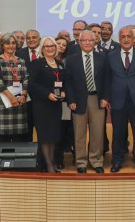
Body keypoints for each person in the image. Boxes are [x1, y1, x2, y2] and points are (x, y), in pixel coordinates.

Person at [105, 26, 135, 173]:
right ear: (119, 40)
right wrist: (107, 99)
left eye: (128, 36)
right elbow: (108, 79)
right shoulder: (111, 55)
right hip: (117, 100)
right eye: (123, 37)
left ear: (133, 39)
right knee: (118, 133)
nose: (126, 39)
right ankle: (117, 160)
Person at [65, 31, 109, 173]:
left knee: (97, 132)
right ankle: (81, 162)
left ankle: (96, 161)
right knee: (79, 133)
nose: (88, 42)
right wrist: (70, 100)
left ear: (95, 41)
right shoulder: (71, 59)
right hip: (78, 101)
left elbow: (108, 79)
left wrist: (105, 98)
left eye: (91, 40)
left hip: (97, 99)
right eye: (85, 40)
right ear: (79, 42)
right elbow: (68, 82)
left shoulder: (102, 58)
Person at [28, 37, 65, 173]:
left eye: (52, 46)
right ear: (42, 49)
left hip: (56, 105)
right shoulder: (36, 63)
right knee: (44, 135)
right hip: (42, 104)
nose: (50, 48)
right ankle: (48, 165)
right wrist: (47, 94)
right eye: (47, 46)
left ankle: (52, 162)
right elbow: (32, 84)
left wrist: (64, 92)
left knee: (53, 135)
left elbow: (64, 81)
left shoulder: (60, 64)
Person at [0, 33, 29, 142]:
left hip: (20, 102)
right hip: (3, 103)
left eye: (13, 43)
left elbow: (26, 79)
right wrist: (11, 98)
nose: (10, 46)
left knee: (18, 137)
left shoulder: (21, 61)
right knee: (2, 137)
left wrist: (23, 95)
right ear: (2, 45)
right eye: (7, 43)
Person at [15, 29, 41, 142]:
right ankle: (28, 156)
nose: (31, 40)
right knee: (26, 129)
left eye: (34, 37)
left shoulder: (46, 51)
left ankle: (42, 157)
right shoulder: (19, 53)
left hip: (42, 97)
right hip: (25, 97)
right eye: (28, 38)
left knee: (42, 129)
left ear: (39, 39)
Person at [54, 35, 73, 169]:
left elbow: (71, 80)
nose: (61, 46)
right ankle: (53, 158)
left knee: (64, 130)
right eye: (58, 43)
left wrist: (65, 92)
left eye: (64, 45)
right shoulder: (45, 61)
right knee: (53, 131)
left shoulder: (68, 61)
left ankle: (61, 158)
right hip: (49, 101)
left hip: (65, 101)